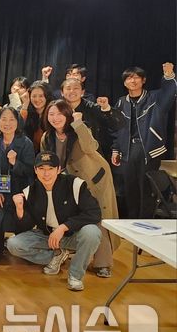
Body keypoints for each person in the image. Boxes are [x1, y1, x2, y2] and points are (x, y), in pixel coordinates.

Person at [42, 100, 120, 278]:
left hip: (94, 179)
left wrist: (78, 123)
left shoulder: (78, 129)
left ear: (68, 115)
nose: (55, 118)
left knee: (99, 217)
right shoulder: (48, 136)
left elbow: (91, 147)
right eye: (51, 114)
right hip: (70, 183)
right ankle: (73, 251)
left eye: (60, 114)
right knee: (76, 217)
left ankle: (103, 263)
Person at [7, 152, 102, 291]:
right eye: (41, 169)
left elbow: (94, 213)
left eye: (50, 169)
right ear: (35, 170)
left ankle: (75, 276)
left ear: (59, 169)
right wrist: (20, 209)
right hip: (48, 236)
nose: (46, 174)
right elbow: (25, 226)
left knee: (92, 232)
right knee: (13, 244)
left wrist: (64, 227)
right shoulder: (30, 191)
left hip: (72, 236)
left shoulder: (74, 184)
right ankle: (57, 255)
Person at [112, 62, 176, 219]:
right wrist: (115, 149)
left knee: (147, 190)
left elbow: (169, 93)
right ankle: (132, 226)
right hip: (127, 150)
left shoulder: (154, 98)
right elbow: (116, 128)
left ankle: (145, 225)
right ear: (124, 82)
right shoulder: (121, 102)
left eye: (136, 78)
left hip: (149, 149)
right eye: (129, 78)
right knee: (130, 190)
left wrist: (168, 76)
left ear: (143, 80)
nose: (132, 81)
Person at [0, 107, 35, 263]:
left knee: (19, 214)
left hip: (19, 188)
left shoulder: (25, 143)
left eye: (12, 119)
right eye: (4, 119)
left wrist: (15, 163)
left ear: (18, 121)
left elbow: (30, 171)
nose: (7, 123)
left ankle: (19, 247)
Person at [60, 78, 125, 160]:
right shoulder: (58, 109)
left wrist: (106, 108)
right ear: (62, 92)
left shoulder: (93, 108)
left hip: (90, 156)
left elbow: (118, 124)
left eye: (76, 88)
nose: (72, 91)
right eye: (68, 88)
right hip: (65, 155)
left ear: (82, 92)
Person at [21, 81, 54, 153]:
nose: (37, 99)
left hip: (49, 152)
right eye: (34, 96)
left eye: (41, 96)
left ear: (47, 96)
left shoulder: (53, 111)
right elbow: (18, 127)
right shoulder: (25, 110)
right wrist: (25, 104)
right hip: (28, 152)